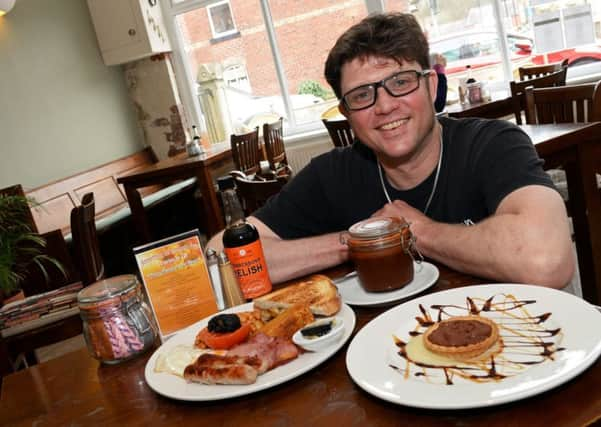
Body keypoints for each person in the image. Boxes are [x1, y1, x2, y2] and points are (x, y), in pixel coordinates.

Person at [208, 12, 574, 289]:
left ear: (431, 87)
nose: (384, 106)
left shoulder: (492, 144)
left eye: (400, 82)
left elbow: (545, 260)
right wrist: (358, 242)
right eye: (362, 95)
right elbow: (219, 258)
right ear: (348, 114)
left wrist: (417, 231)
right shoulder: (331, 174)